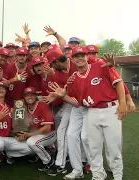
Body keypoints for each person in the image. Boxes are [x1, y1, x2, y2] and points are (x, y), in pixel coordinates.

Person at [46, 46, 127, 180]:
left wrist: (123, 103)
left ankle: (118, 176)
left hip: (110, 109)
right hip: (92, 111)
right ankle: (98, 176)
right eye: (76, 56)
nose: (79, 58)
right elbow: (78, 103)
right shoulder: (74, 78)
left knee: (114, 148)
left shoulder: (100, 65)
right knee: (94, 147)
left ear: (86, 56)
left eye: (82, 55)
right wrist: (63, 96)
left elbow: (118, 83)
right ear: (72, 59)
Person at [18, 87, 57, 172]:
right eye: (27, 95)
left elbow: (47, 128)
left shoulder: (43, 106)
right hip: (37, 133)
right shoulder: (24, 109)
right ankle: (38, 155)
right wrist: (21, 134)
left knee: (32, 142)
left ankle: (49, 161)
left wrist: (29, 135)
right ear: (24, 97)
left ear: (36, 96)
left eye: (32, 95)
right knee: (22, 142)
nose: (30, 97)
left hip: (50, 133)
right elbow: (24, 127)